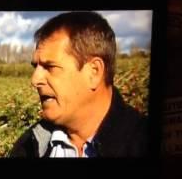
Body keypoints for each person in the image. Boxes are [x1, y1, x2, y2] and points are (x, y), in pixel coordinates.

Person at [9, 11, 148, 157]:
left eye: (50, 67)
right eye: (35, 67)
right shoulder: (29, 146)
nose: (35, 80)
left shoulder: (142, 143)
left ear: (94, 72)